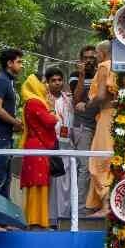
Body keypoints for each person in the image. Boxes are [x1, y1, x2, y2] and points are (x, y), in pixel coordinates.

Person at [19, 74, 60, 229]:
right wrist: (51, 109)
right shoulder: (35, 102)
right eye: (42, 83)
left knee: (39, 183)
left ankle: (37, 221)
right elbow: (50, 121)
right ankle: (35, 222)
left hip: (36, 146)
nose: (45, 86)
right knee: (37, 183)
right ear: (35, 85)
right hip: (37, 146)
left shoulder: (32, 102)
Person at [0, 49, 24, 199]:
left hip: (4, 136)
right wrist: (15, 122)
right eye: (19, 62)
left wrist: (14, 124)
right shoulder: (1, 80)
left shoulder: (8, 81)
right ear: (9, 63)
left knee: (6, 179)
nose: (21, 65)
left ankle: (0, 220)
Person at [86, 41, 118, 217]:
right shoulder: (123, 67)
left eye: (97, 53)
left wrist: (87, 104)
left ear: (103, 53)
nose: (96, 56)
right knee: (115, 158)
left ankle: (106, 205)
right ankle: (109, 204)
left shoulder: (105, 66)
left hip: (107, 116)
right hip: (121, 118)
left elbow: (101, 96)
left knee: (99, 160)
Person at [70, 46, 98, 213]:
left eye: (92, 57)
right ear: (80, 59)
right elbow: (76, 99)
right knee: (84, 167)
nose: (89, 60)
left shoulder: (100, 73)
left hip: (99, 126)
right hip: (82, 127)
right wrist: (81, 74)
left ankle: (92, 204)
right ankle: (80, 208)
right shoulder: (75, 75)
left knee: (97, 167)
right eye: (86, 57)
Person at [45, 67, 74, 226]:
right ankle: (50, 220)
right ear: (47, 83)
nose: (57, 83)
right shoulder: (44, 99)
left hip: (67, 145)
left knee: (65, 185)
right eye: (53, 81)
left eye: (59, 80)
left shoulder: (68, 99)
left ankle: (63, 219)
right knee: (52, 184)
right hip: (50, 145)